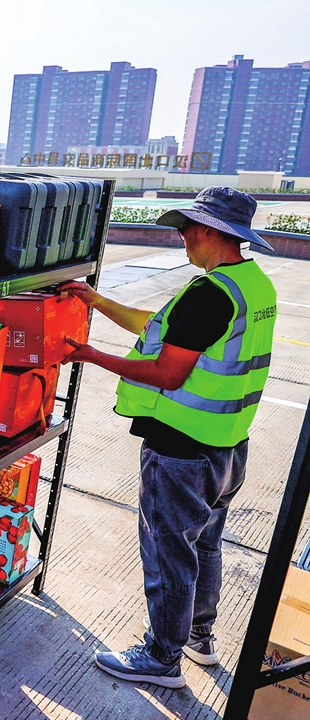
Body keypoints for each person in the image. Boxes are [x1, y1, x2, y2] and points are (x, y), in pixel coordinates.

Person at [60, 186, 276, 689]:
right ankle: (196, 637)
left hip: (183, 450)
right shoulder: (251, 285)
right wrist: (97, 301)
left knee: (168, 552)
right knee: (203, 547)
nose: (181, 238)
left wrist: (91, 357)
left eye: (185, 229)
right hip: (228, 444)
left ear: (208, 231)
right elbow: (165, 329)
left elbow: (167, 370)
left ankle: (161, 657)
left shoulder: (210, 293)